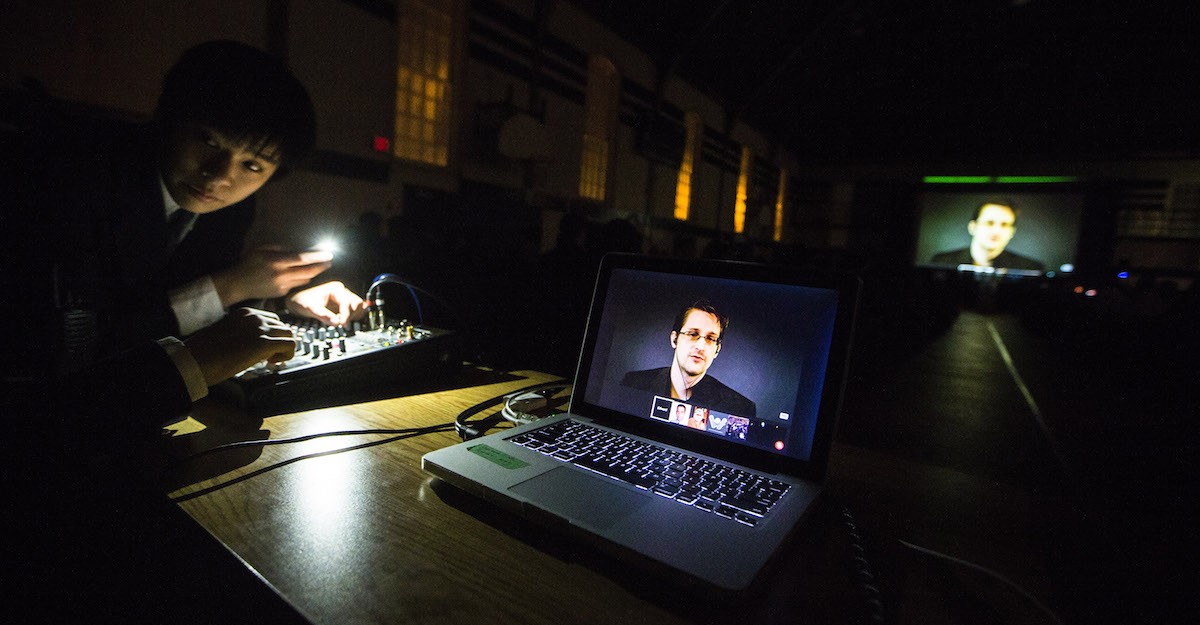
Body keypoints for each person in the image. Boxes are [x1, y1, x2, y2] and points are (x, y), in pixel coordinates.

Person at [620, 299, 756, 418]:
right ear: (674, 339)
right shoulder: (633, 383)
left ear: (717, 350)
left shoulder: (740, 408)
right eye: (692, 334)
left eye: (710, 338)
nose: (701, 346)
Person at [930, 200, 1045, 271]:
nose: (996, 231)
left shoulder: (1030, 268)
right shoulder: (942, 262)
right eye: (989, 223)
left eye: (1004, 225)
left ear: (1012, 232)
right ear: (973, 227)